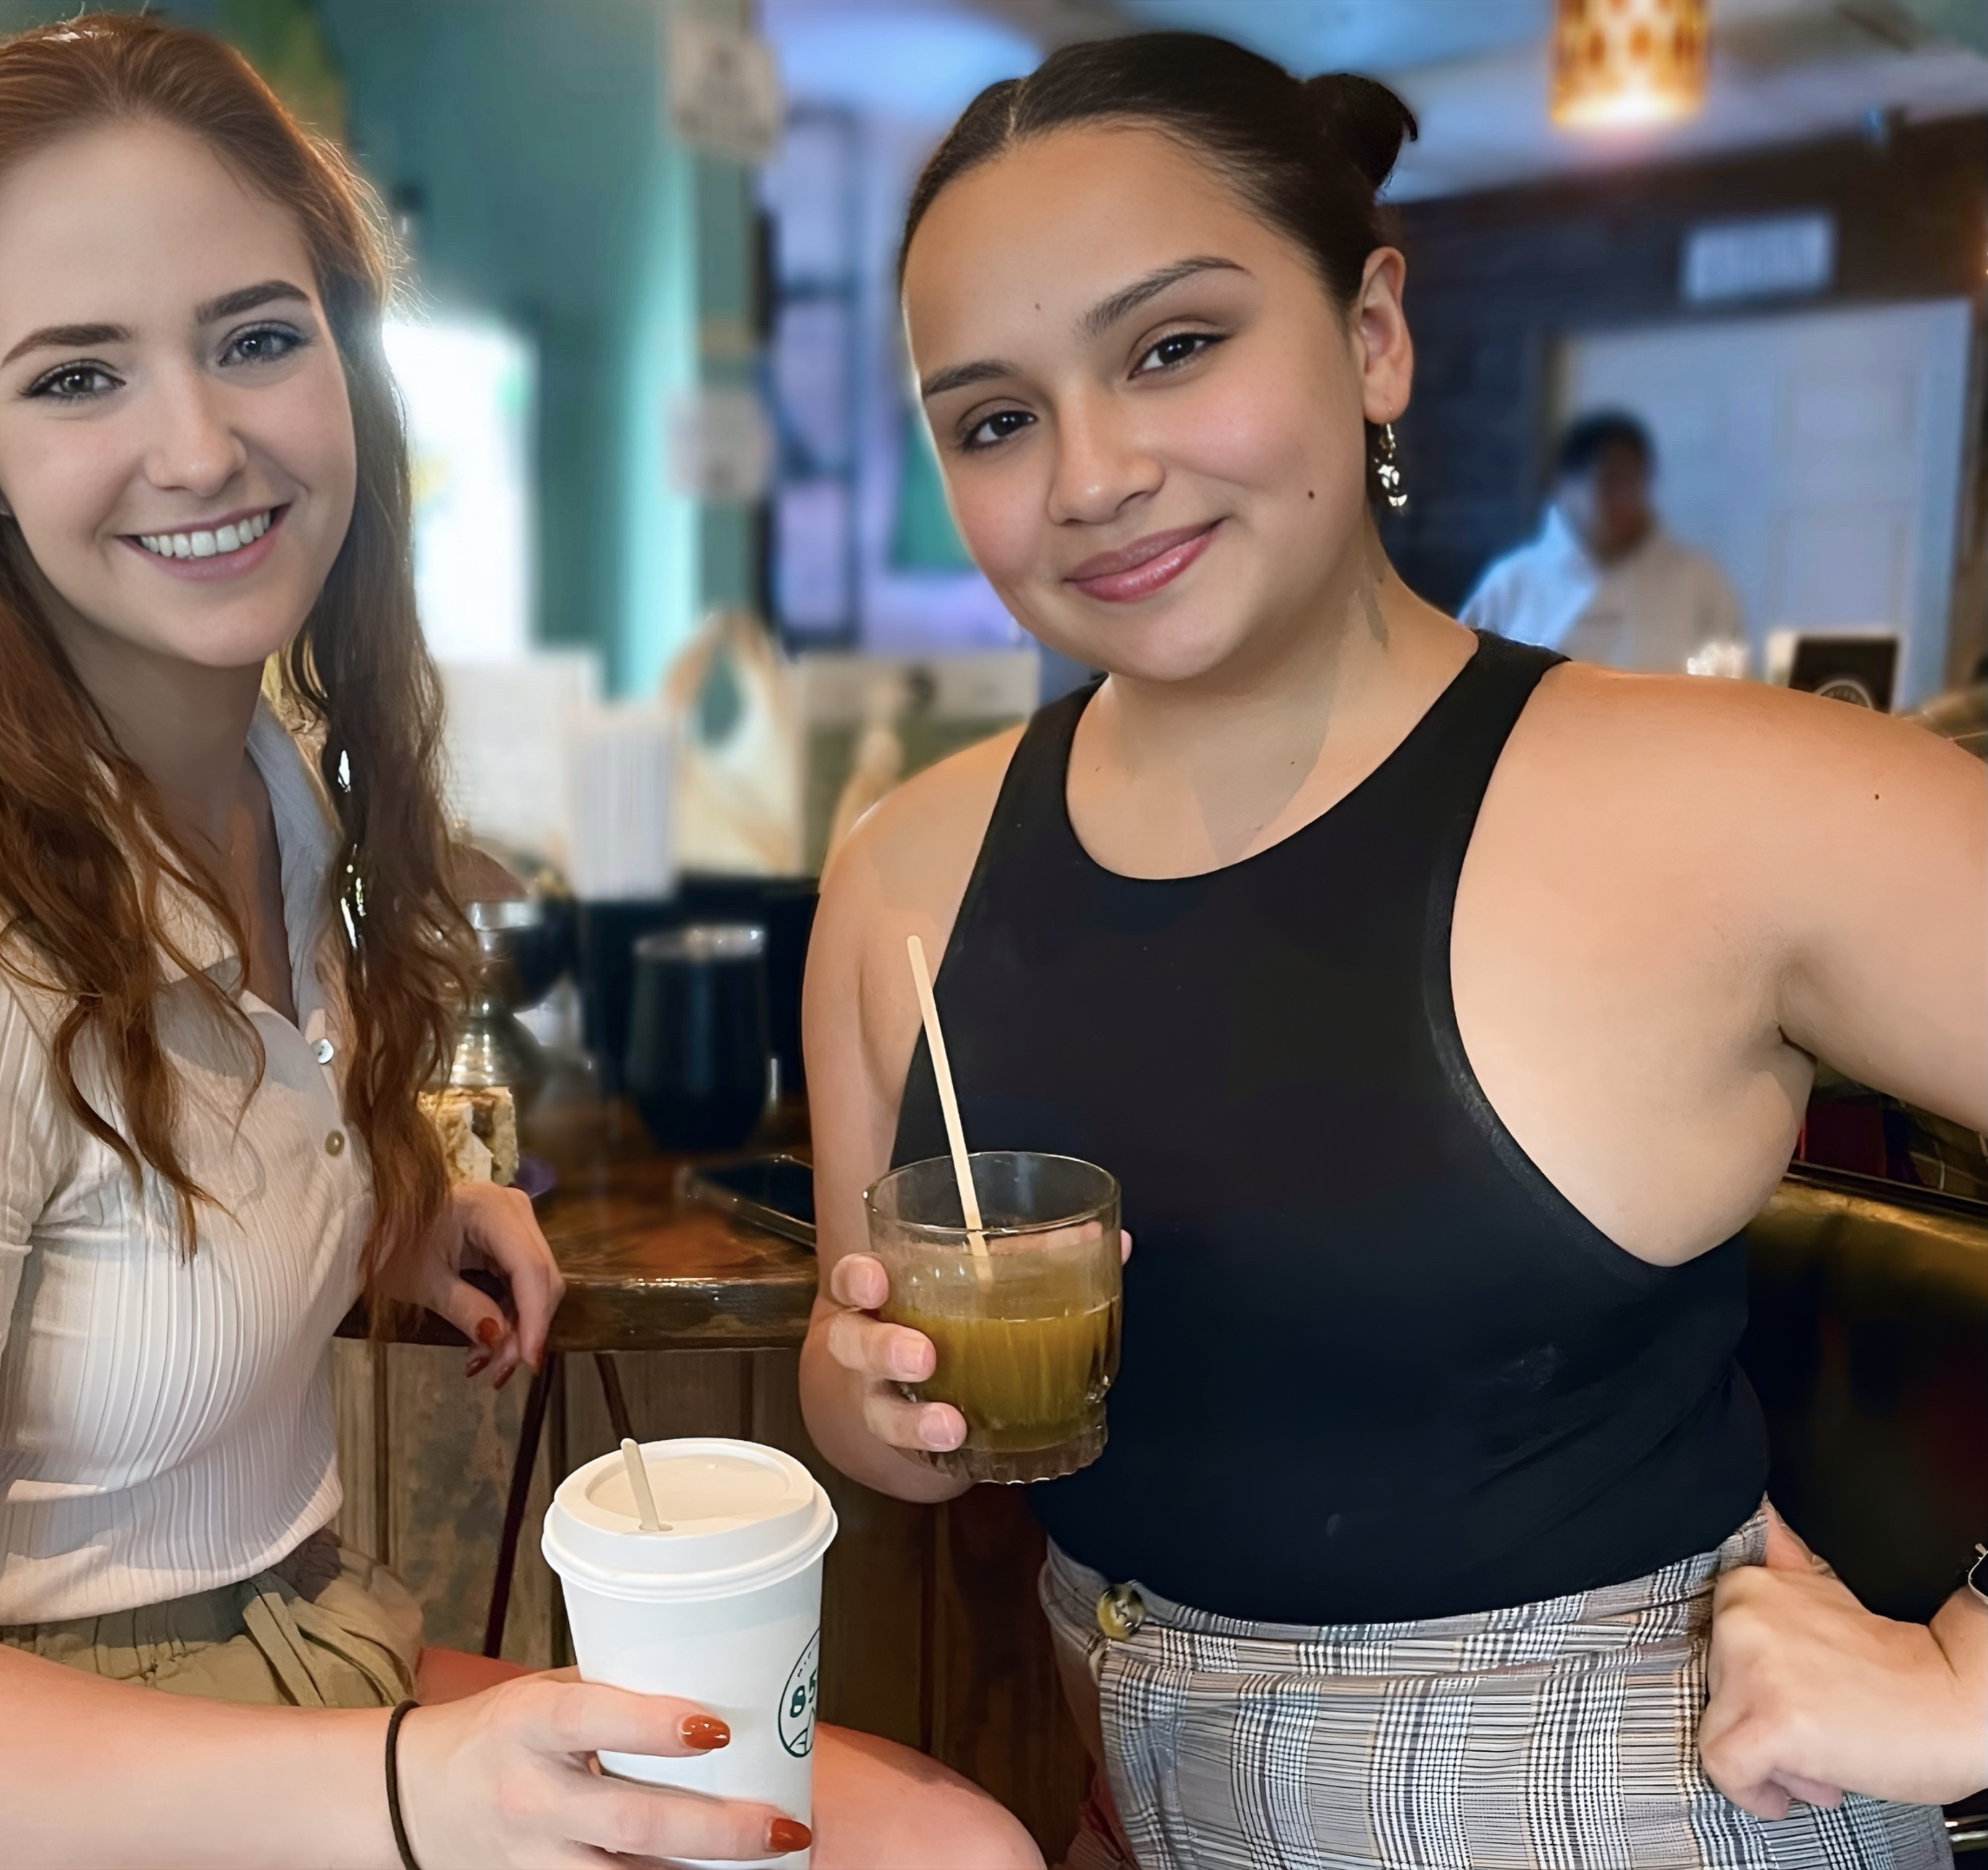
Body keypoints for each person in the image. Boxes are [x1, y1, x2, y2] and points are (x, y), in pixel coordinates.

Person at [0, 19, 1038, 1868]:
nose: (201, 442)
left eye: (257, 337)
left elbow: (159, 1172)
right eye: (76, 375)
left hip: (268, 1667)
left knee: (941, 1843)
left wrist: (388, 1193)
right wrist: (417, 1791)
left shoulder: (270, 782)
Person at [798, 31, 1985, 1870]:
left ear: (1369, 338)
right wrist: (876, 1407)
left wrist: (1969, 1678)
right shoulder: (899, 870)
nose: (1091, 472)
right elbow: (860, 1383)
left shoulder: (1735, 798)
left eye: (1172, 346)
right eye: (993, 417)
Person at [1462, 408, 1746, 674]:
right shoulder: (1512, 582)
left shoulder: (1698, 580)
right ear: (1563, 484)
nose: (1624, 498)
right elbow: (1465, 681)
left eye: (1634, 482)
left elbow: (1731, 684)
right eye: (1609, 481)